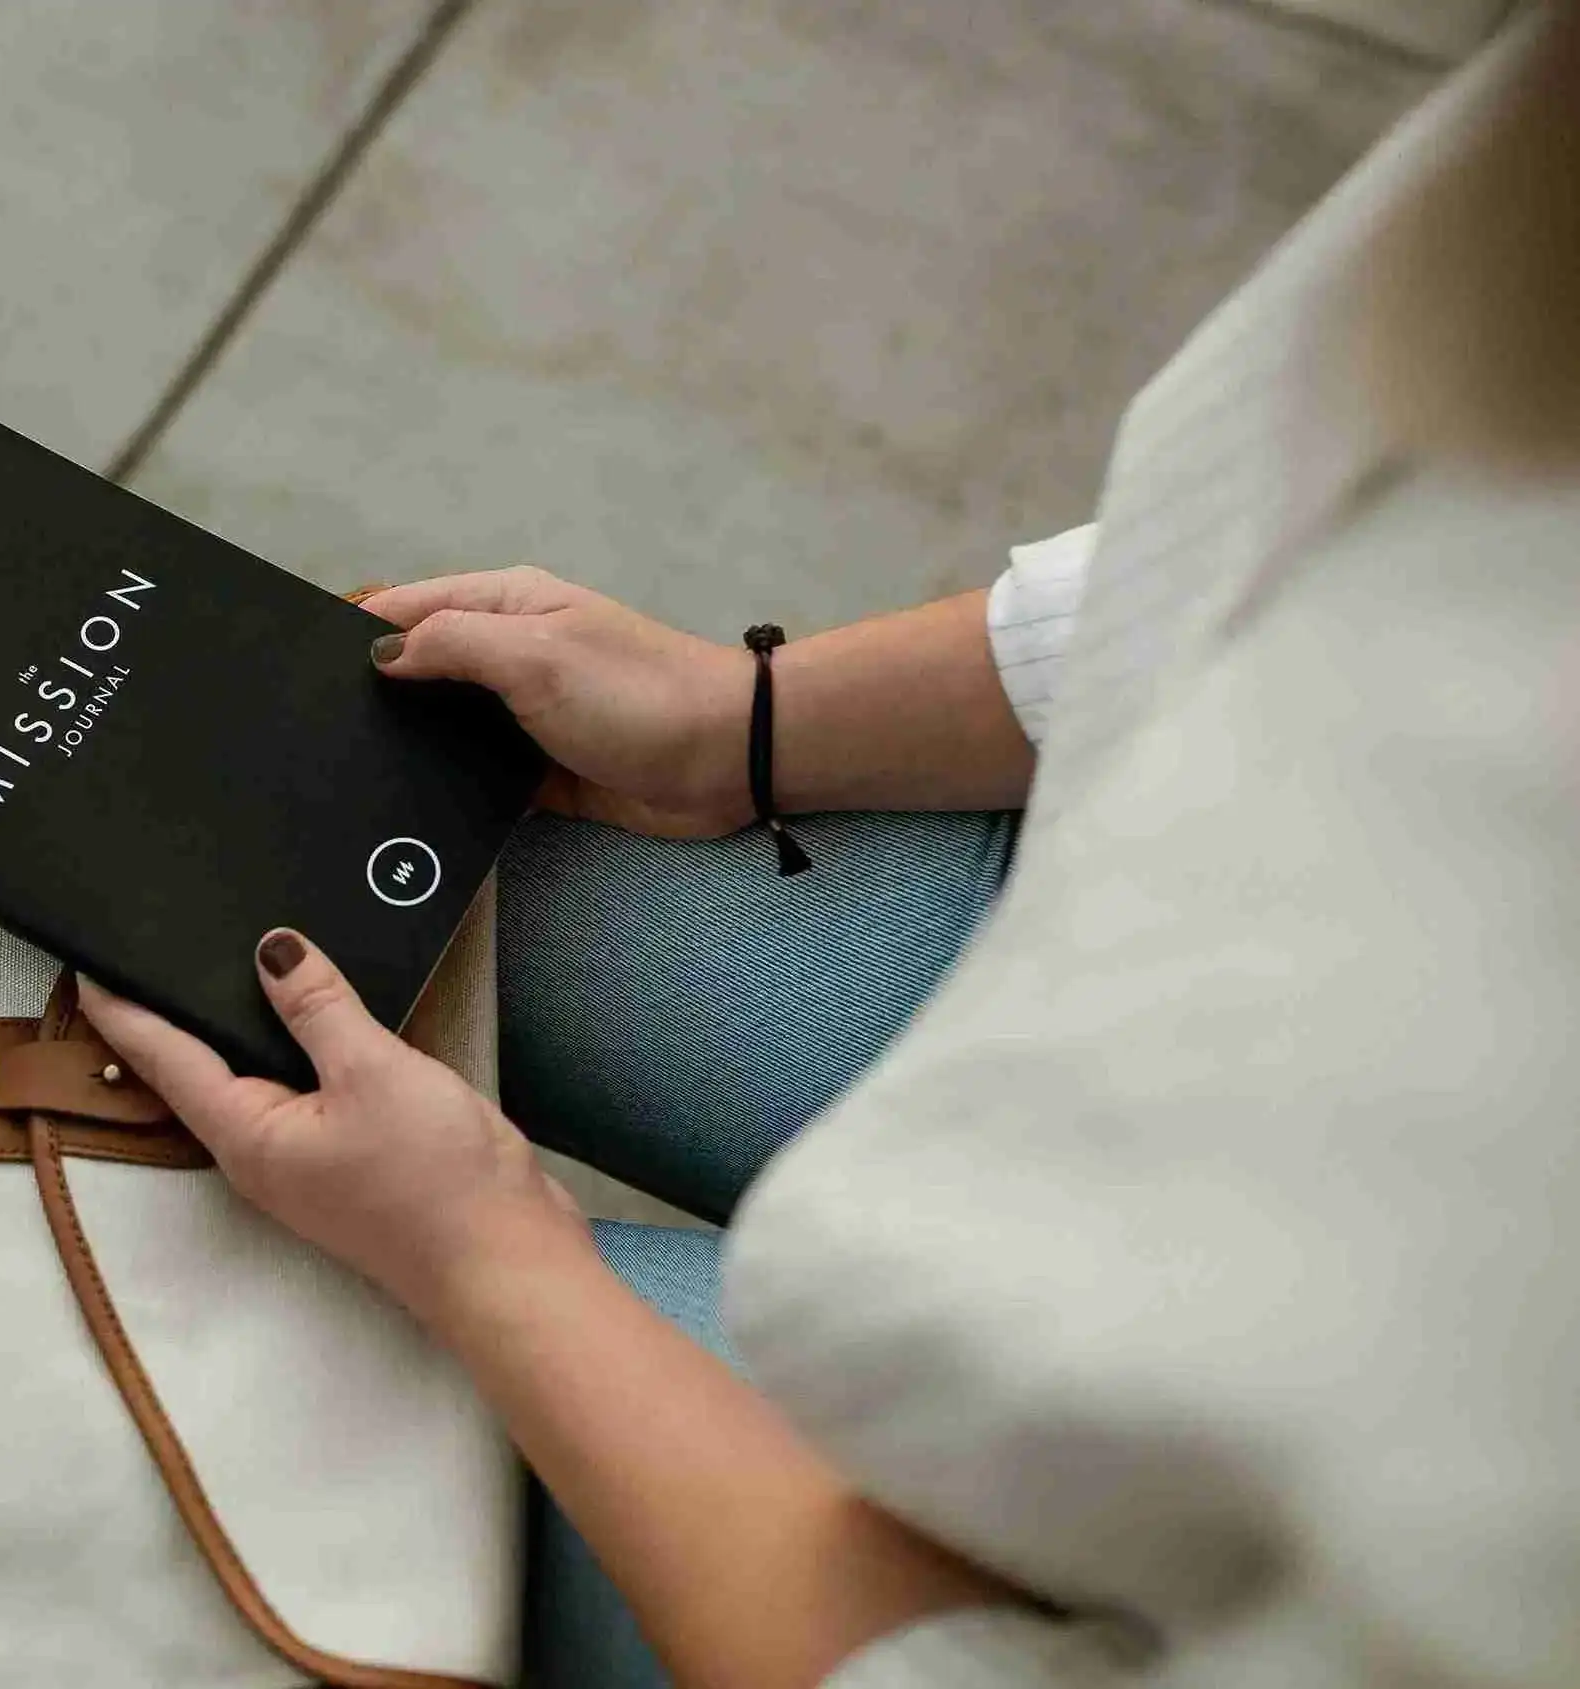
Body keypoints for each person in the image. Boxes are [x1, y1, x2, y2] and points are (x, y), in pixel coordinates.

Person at [81, 5, 1580, 1685]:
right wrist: (744, 724)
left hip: (1071, 1571)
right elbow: (1288, 511)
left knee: (151, 1371)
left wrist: (486, 1260)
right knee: (226, 822)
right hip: (1173, 947)